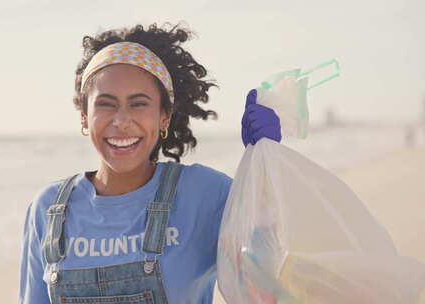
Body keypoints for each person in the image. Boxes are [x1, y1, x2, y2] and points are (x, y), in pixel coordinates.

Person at [19, 22, 281, 304]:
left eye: (138, 104)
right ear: (84, 115)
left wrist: (266, 164)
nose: (121, 121)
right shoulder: (48, 209)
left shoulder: (204, 194)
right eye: (106, 103)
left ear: (164, 116)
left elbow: (266, 280)